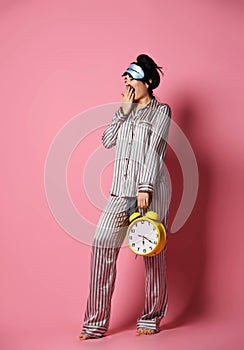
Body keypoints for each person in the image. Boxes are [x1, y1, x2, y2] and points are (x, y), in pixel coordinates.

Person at [79, 54, 171, 340]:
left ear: (149, 81)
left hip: (150, 192)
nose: (127, 82)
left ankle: (150, 317)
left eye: (132, 77)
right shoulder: (126, 110)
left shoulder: (162, 111)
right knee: (102, 245)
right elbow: (107, 140)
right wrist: (123, 111)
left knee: (152, 254)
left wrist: (146, 188)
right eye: (125, 78)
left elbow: (155, 150)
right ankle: (95, 324)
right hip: (120, 191)